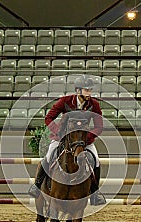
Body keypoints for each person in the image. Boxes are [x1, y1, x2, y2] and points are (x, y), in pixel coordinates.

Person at [28, 75, 106, 206]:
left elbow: (99, 126)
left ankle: (95, 193)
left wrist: (87, 138)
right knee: (48, 156)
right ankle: (36, 186)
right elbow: (49, 118)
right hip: (62, 139)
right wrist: (58, 131)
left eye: (90, 90)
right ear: (78, 90)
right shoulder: (65, 101)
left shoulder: (94, 105)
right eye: (86, 90)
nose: (89, 93)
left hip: (83, 141)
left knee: (96, 161)